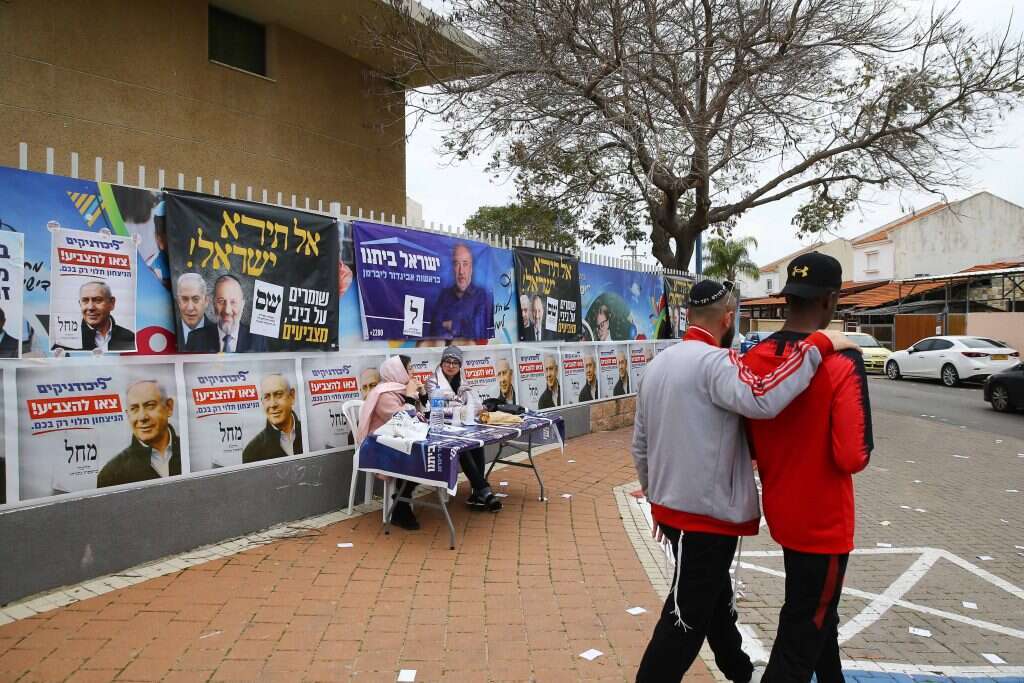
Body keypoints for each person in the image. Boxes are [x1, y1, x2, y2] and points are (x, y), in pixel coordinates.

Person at [632, 280, 857, 683]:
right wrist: (818, 346)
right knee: (684, 620)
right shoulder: (717, 364)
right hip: (706, 517)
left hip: (674, 511)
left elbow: (640, 444)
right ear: (728, 318)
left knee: (713, 599)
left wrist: (655, 498)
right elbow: (764, 399)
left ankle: (736, 669)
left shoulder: (657, 365)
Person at [741, 253, 873, 683]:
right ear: (831, 300)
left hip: (782, 507)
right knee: (803, 630)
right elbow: (853, 455)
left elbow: (748, 438)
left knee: (819, 614)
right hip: (824, 521)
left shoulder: (755, 357)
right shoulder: (841, 361)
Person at [425, 345, 503, 512]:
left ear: (460, 365)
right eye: (447, 361)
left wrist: (479, 407)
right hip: (442, 428)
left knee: (477, 443)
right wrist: (459, 406)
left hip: (462, 426)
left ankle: (477, 493)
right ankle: (485, 491)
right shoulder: (432, 381)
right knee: (463, 449)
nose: (451, 365)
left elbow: (472, 403)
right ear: (442, 362)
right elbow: (436, 408)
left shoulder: (463, 380)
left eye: (455, 362)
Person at [357, 355, 426, 530]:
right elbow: (403, 421)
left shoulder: (401, 389)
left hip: (399, 440)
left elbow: (424, 417)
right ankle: (401, 507)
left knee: (426, 453)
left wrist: (423, 396)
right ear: (398, 371)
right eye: (409, 368)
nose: (414, 372)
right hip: (379, 445)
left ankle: (401, 501)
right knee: (417, 456)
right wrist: (411, 396)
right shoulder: (384, 394)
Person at [98, 380, 181, 487]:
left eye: (150, 406)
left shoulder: (189, 450)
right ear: (128, 415)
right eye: (134, 409)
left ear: (169, 407)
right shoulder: (111, 474)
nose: (142, 417)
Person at [184, 274, 268, 353]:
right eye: (221, 301)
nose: (227, 310)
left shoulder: (258, 340)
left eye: (233, 302)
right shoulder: (195, 339)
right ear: (213, 304)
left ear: (242, 305)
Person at [431, 243, 494, 340]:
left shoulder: (481, 296)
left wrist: (451, 325)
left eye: (465, 264)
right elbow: (435, 328)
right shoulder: (444, 295)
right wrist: (464, 325)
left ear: (471, 269)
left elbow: (478, 331)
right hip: (447, 350)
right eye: (457, 264)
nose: (461, 271)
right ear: (453, 269)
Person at [242, 373, 303, 463]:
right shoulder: (252, 452)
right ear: (262, 402)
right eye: (267, 397)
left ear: (292, 396)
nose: (272, 404)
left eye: (278, 394)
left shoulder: (310, 432)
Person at [60, 281, 135, 352]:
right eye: (85, 300)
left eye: (98, 300)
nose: (90, 307)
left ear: (112, 303)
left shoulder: (129, 337)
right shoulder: (66, 342)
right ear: (80, 304)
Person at [175, 272, 212, 348]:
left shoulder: (219, 335)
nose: (190, 308)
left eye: (195, 299)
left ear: (206, 301)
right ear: (178, 302)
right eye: (184, 299)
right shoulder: (168, 334)